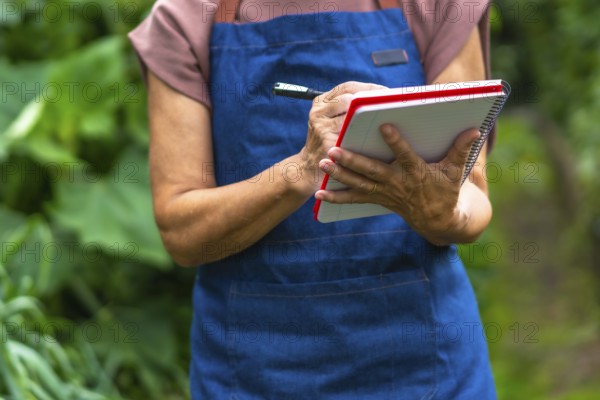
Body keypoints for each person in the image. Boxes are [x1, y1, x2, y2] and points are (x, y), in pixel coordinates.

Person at [129, 0, 496, 398]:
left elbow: (471, 194)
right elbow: (182, 232)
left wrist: (442, 214)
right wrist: (301, 170)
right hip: (254, 371)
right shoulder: (184, 19)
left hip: (427, 363)